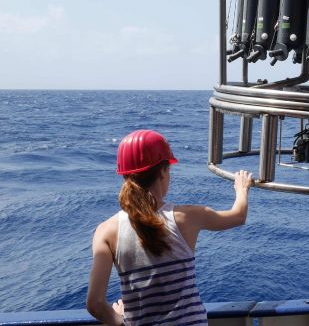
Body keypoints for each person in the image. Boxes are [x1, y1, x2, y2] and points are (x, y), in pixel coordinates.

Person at [86, 129, 253, 326]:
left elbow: (95, 304)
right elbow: (238, 216)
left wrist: (120, 320)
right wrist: (241, 188)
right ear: (163, 172)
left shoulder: (105, 231)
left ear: (125, 176)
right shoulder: (188, 217)